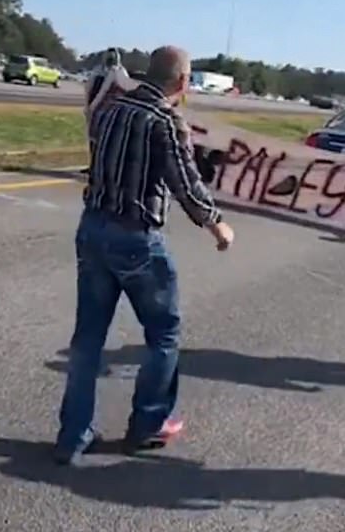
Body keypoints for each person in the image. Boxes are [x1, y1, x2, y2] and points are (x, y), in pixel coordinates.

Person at [53, 45, 235, 465]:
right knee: (164, 333)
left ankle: (73, 434)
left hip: (93, 227)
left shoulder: (109, 110)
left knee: (88, 339)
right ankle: (148, 425)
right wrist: (216, 224)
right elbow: (185, 184)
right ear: (183, 83)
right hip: (136, 239)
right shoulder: (164, 121)